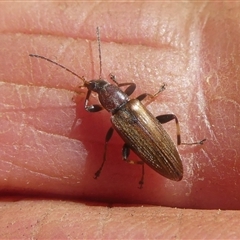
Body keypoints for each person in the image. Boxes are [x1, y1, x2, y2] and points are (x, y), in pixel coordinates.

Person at [0, 1, 240, 238]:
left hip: (153, 149)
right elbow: (116, 94)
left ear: (108, 96)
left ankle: (152, 160)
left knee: (126, 155)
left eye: (102, 86)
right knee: (159, 124)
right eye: (101, 87)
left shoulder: (118, 116)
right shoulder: (131, 104)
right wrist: (131, 91)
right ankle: (169, 149)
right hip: (145, 133)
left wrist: (88, 92)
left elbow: (86, 107)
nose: (100, 85)